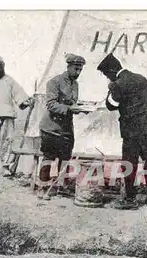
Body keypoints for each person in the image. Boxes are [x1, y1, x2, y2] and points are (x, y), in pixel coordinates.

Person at [97, 53, 147, 209]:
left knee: (129, 163)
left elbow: (111, 106)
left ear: (111, 71)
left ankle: (130, 199)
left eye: (106, 74)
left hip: (131, 129)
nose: (107, 78)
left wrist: (111, 91)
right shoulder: (141, 78)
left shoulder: (117, 84)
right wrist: (138, 102)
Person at [37, 53, 86, 200]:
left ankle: (58, 186)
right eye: (76, 69)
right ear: (68, 67)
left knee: (64, 158)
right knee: (49, 157)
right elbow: (51, 104)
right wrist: (70, 109)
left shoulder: (75, 85)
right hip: (51, 127)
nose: (78, 73)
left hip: (66, 128)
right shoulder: (54, 82)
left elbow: (72, 104)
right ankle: (42, 187)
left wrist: (81, 109)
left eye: (80, 70)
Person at [0, 51, 32, 177]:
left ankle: (6, 167)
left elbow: (20, 98)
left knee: (7, 141)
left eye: (0, 65)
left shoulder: (10, 81)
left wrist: (26, 103)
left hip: (7, 115)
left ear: (4, 65)